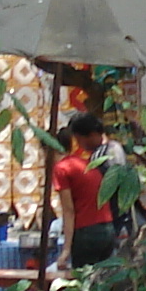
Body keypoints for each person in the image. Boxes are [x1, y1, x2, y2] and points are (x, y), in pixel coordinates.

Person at [52, 110, 116, 267]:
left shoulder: (62, 169)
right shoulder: (85, 162)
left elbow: (69, 211)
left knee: (83, 283)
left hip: (86, 233)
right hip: (107, 229)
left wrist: (66, 250)